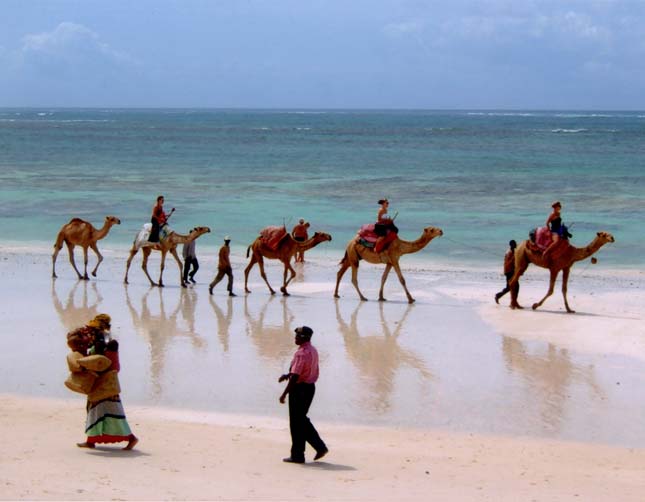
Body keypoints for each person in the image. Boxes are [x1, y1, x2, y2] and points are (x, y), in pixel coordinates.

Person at [75, 314, 139, 451]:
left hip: (105, 383)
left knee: (111, 412)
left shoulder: (104, 342)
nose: (90, 332)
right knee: (94, 411)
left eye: (93, 329)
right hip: (98, 381)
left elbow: (107, 364)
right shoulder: (98, 341)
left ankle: (131, 438)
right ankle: (90, 441)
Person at [279, 326, 328, 464]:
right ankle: (304, 452)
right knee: (301, 421)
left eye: (297, 336)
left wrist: (284, 394)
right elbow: (303, 370)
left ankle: (305, 452)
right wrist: (287, 375)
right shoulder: (313, 350)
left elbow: (296, 376)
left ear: (304, 337)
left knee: (297, 423)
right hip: (310, 388)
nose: (295, 338)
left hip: (299, 389)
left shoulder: (301, 353)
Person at [495, 240, 519, 304]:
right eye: (515, 244)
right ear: (512, 245)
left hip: (509, 271)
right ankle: (513, 302)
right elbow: (510, 263)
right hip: (509, 272)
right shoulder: (510, 252)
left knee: (512, 287)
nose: (516, 245)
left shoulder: (510, 251)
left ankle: (499, 296)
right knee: (514, 287)